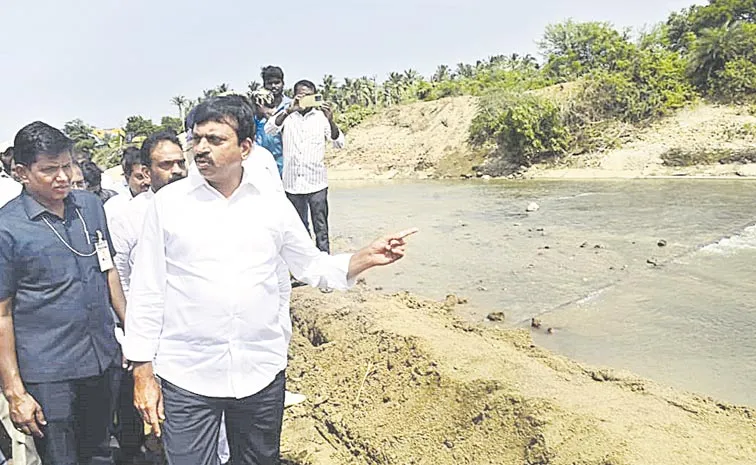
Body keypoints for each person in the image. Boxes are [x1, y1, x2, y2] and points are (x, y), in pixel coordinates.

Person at [123, 96, 416, 465]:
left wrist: (363, 259)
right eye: (197, 139)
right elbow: (148, 290)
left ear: (245, 147)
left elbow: (311, 266)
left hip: (259, 371)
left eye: (215, 140)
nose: (201, 149)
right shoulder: (168, 205)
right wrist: (142, 371)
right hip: (188, 374)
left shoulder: (272, 204)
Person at [0, 121, 127, 465]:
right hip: (48, 372)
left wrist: (133, 333)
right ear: (22, 172)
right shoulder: (7, 228)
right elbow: (2, 314)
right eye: (49, 170)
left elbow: (109, 270)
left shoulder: (89, 207)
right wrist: (14, 391)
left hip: (102, 360)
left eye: (67, 166)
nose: (63, 177)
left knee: (101, 453)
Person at [264, 80, 344, 263]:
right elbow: (269, 129)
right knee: (298, 228)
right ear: (294, 96)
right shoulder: (287, 117)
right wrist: (288, 111)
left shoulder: (321, 118)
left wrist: (331, 120)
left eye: (309, 95)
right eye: (301, 95)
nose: (305, 99)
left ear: (315, 96)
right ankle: (305, 266)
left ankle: (324, 265)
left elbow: (339, 143)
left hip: (316, 182)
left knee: (321, 227)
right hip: (292, 183)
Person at [252, 66, 291, 176]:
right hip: (261, 161)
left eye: (277, 82)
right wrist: (258, 112)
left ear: (283, 83)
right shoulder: (255, 106)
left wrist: (267, 114)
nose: (273, 86)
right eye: (270, 83)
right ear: (264, 85)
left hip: (285, 160)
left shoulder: (290, 106)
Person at [104, 147, 151, 219]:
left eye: (149, 175)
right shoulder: (114, 207)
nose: (147, 181)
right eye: (140, 177)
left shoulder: (161, 200)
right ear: (127, 177)